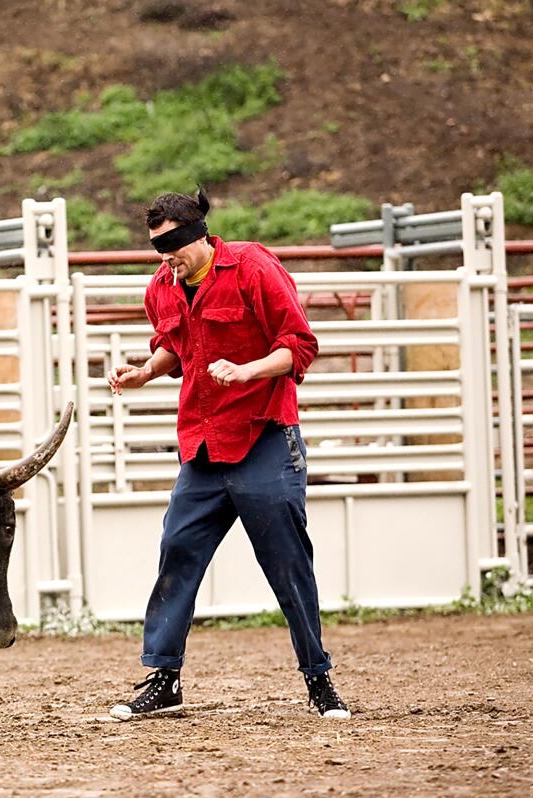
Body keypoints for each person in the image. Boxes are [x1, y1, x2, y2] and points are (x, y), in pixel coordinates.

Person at [106, 189, 350, 720]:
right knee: (177, 551)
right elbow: (177, 346)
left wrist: (247, 371)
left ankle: (319, 679)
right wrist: (146, 372)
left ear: (198, 234)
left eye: (170, 245)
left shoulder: (254, 268)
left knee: (288, 564)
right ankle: (164, 678)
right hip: (202, 444)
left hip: (264, 437)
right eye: (155, 248)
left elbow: (299, 345)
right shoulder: (162, 288)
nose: (164, 257)